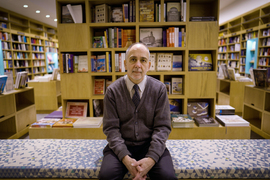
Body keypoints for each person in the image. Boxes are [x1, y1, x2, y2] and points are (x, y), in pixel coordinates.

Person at [99, 43, 177, 180]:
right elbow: (111, 129)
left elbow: (163, 128)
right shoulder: (112, 91)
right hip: (120, 146)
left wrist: (151, 159)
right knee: (106, 176)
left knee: (168, 177)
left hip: (151, 145)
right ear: (125, 63)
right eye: (133, 59)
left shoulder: (159, 90)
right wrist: (126, 158)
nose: (138, 65)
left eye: (143, 60)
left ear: (149, 65)